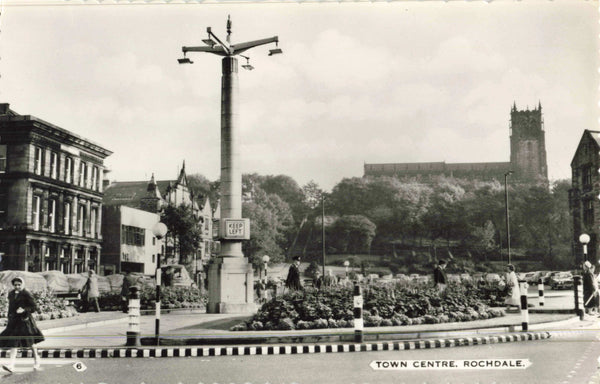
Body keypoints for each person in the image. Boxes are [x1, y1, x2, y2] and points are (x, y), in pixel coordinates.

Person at [0, 277, 44, 372]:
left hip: (25, 321)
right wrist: (9, 318)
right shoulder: (11, 293)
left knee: (30, 343)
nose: (17, 287)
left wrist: (24, 310)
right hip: (15, 322)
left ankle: (37, 359)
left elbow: (34, 307)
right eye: (15, 285)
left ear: (22, 284)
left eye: (19, 285)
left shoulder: (26, 293)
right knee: (14, 343)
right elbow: (11, 307)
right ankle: (11, 365)